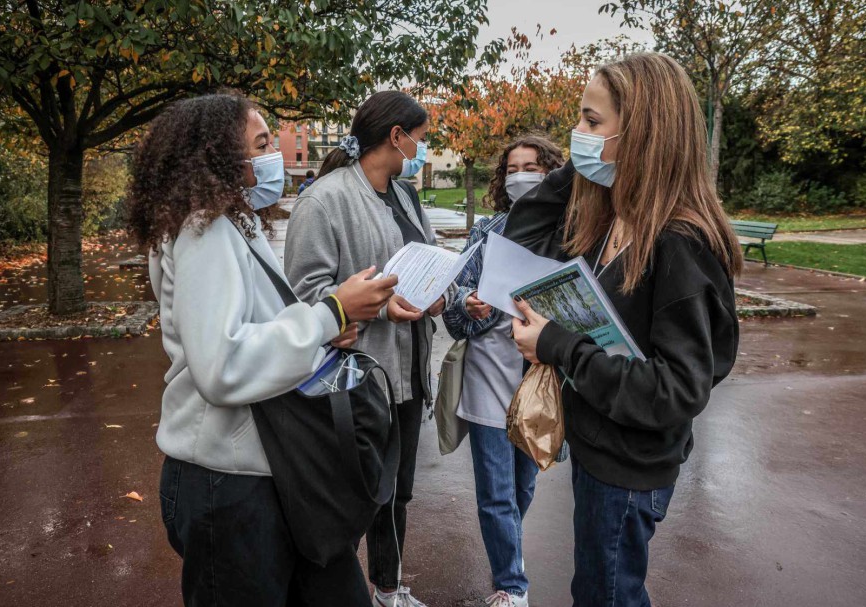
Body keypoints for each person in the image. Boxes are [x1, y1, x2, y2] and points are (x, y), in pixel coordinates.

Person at [125, 90, 396, 607]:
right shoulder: (202, 230)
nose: (274, 155)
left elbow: (249, 323)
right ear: (219, 156)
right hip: (224, 483)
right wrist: (330, 313)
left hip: (265, 468)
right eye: (262, 143)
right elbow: (222, 365)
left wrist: (323, 328)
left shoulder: (228, 222)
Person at [504, 53, 742, 607]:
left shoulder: (680, 242)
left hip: (630, 465)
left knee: (606, 594)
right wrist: (581, 166)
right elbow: (523, 231)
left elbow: (678, 390)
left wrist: (558, 346)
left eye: (592, 122)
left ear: (644, 134)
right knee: (598, 587)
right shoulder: (614, 215)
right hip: (599, 442)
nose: (577, 134)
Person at [284, 90, 454, 607]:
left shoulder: (404, 196)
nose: (421, 153)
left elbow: (420, 259)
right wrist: (380, 308)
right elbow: (304, 297)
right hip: (357, 380)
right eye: (420, 142)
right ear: (396, 137)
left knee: (395, 494)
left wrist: (438, 292)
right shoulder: (324, 200)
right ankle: (325, 593)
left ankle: (386, 588)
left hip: (407, 373)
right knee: (352, 497)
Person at [441, 135, 564, 607]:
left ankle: (509, 556)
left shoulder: (570, 232)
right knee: (496, 493)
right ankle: (512, 588)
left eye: (531, 167)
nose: (520, 176)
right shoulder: (486, 232)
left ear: (551, 172)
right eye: (512, 168)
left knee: (520, 487)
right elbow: (454, 315)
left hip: (540, 382)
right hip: (487, 378)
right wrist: (475, 307)